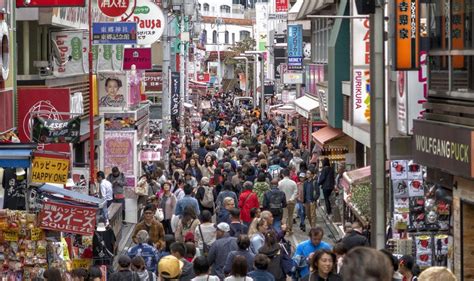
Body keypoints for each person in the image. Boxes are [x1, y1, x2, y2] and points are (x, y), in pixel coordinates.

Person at [278, 168, 298, 233]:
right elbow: (295, 192)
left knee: (284, 216)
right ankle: (290, 229)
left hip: (283, 202)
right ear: (289, 174)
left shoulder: (280, 183)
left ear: (283, 174)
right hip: (291, 201)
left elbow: (279, 192)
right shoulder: (293, 183)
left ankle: (284, 230)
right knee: (290, 215)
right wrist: (291, 199)